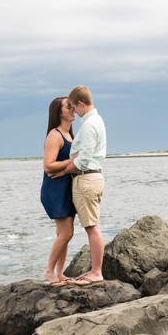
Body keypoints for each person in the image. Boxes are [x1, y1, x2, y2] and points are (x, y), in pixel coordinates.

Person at [63, 85, 107, 286]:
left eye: (74, 107)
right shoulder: (96, 120)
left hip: (87, 178)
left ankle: (97, 272)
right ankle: (95, 270)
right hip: (92, 177)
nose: (73, 111)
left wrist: (63, 170)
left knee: (91, 227)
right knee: (92, 226)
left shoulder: (89, 124)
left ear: (81, 104)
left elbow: (85, 157)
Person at [40, 96, 76, 287]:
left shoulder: (69, 134)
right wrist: (72, 161)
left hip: (66, 188)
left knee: (64, 234)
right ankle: (49, 271)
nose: (73, 109)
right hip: (54, 189)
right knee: (66, 233)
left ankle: (60, 273)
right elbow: (48, 165)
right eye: (68, 106)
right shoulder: (55, 135)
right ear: (58, 112)